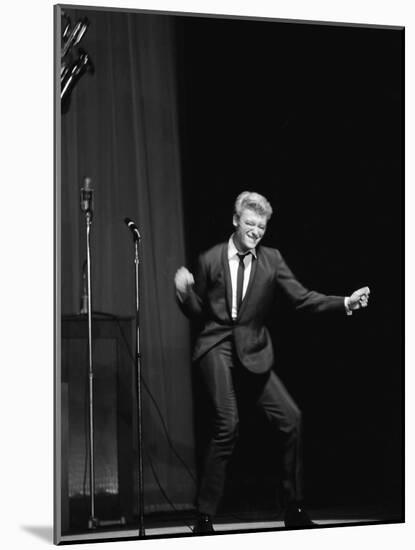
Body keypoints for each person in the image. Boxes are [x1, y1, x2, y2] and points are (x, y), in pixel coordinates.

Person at [174, 191, 370, 533]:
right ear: (236, 221)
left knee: (292, 419)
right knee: (228, 424)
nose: (255, 231)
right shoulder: (209, 259)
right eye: (249, 223)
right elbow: (197, 312)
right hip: (216, 345)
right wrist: (184, 293)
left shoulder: (272, 260)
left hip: (253, 349)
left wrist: (345, 303)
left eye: (261, 226)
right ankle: (204, 517)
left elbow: (302, 298)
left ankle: (293, 509)